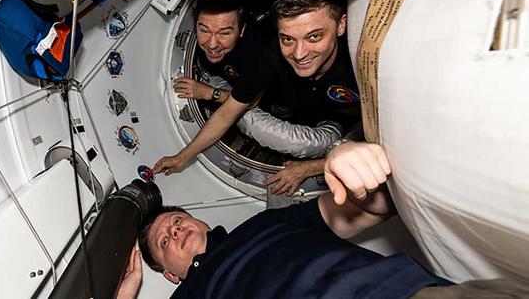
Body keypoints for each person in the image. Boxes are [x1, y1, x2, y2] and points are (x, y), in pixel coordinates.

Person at [116, 142, 529, 299]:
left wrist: (350, 159)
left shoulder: (266, 224)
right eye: (165, 241)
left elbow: (369, 208)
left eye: (175, 221)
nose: (174, 229)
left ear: (201, 223)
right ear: (170, 275)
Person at [156, 0, 344, 176]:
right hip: (293, 104)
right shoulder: (271, 57)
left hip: (339, 120)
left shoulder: (358, 66)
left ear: (341, 25)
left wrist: (312, 167)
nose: (299, 53)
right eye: (287, 39)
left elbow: (372, 143)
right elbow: (226, 115)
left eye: (314, 37)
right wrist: (181, 157)